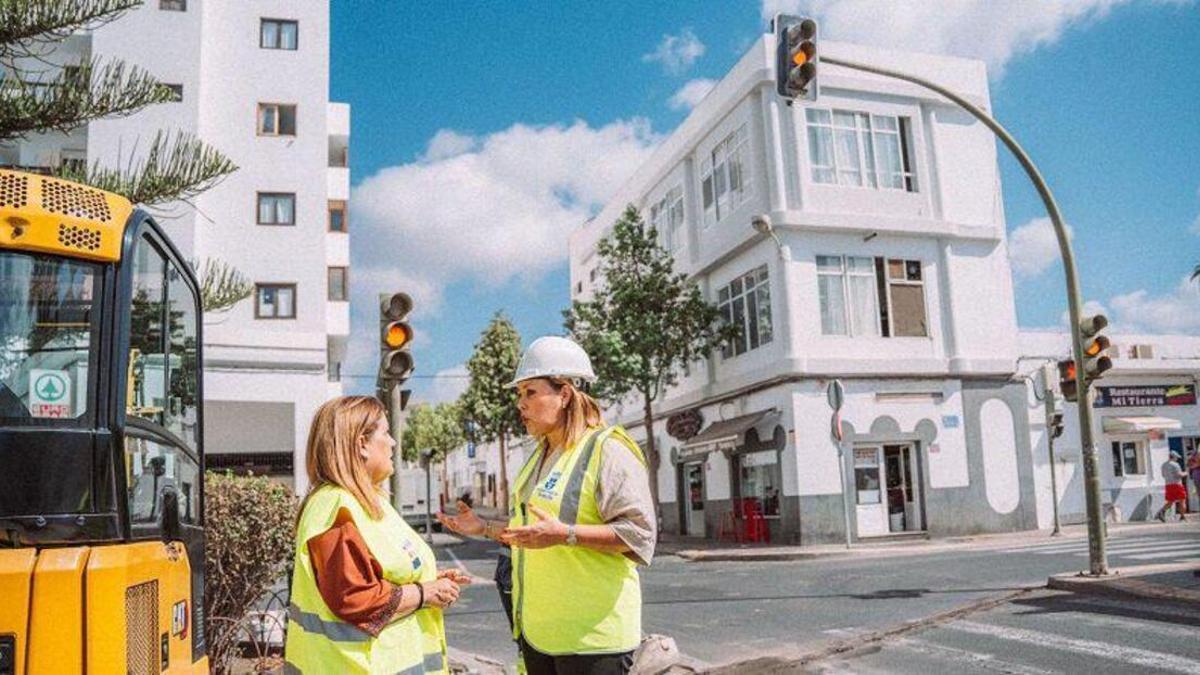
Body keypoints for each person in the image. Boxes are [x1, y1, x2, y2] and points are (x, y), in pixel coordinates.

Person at [439, 336, 656, 675]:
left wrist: (565, 534)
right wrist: (484, 528)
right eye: (519, 394)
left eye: (530, 392)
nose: (520, 404)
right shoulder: (537, 457)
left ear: (565, 394)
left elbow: (639, 535)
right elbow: (532, 535)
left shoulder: (608, 449)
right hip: (539, 636)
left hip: (593, 641)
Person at [285, 396, 471, 673]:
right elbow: (355, 598)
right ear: (361, 444)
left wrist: (429, 581)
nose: (394, 442)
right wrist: (424, 592)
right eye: (385, 433)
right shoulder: (336, 506)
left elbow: (380, 573)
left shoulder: (368, 501)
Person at [1156, 452, 1188, 522]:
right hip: (1177, 484)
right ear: (1174, 457)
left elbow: (1163, 475)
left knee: (1170, 501)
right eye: (1176, 458)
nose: (1177, 459)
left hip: (1168, 485)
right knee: (1182, 500)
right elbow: (1179, 475)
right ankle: (1182, 517)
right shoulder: (1175, 465)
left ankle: (1161, 512)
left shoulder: (1163, 465)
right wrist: (1186, 473)